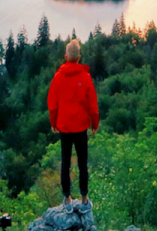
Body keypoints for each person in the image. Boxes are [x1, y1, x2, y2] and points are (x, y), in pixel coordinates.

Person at [47, 38, 99, 207]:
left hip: (64, 127)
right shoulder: (85, 77)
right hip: (81, 127)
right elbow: (92, 104)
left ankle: (67, 197)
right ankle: (84, 198)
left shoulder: (58, 77)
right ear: (79, 57)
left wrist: (53, 123)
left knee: (66, 162)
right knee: (83, 162)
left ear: (66, 56)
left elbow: (52, 103)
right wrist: (95, 124)